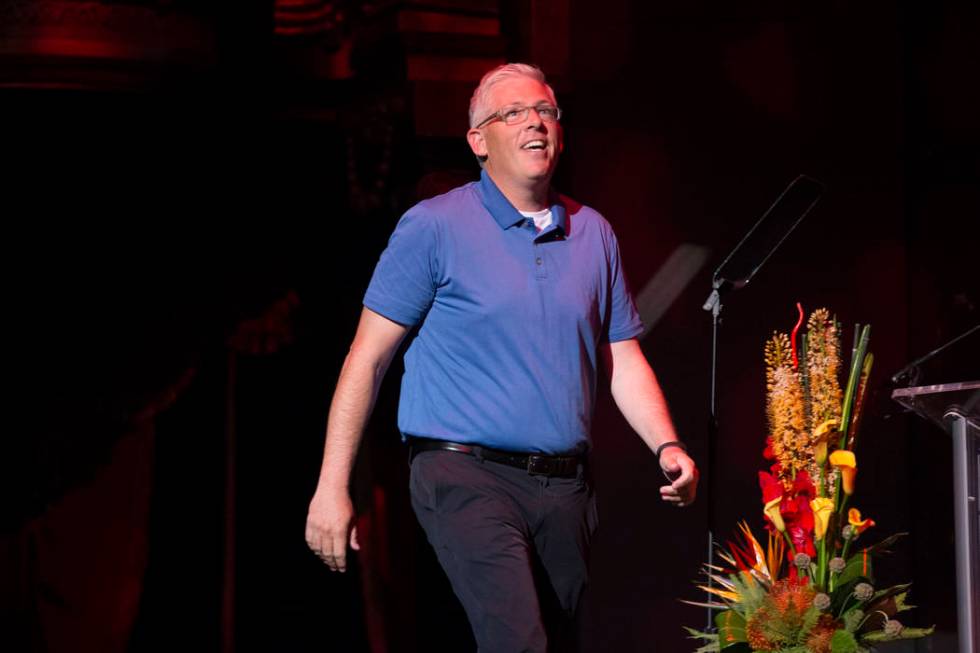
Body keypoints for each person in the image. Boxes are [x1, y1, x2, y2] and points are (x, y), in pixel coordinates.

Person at [305, 62, 698, 651]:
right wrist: (332, 486)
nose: (534, 122)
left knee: (556, 640)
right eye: (513, 113)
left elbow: (623, 357)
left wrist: (667, 444)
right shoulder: (435, 227)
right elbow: (367, 358)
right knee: (518, 641)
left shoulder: (593, 233)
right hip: (464, 472)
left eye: (545, 110)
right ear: (478, 141)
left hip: (565, 486)